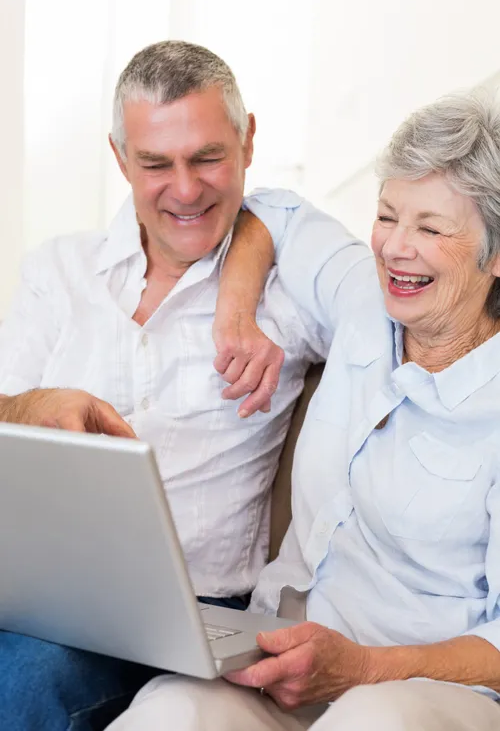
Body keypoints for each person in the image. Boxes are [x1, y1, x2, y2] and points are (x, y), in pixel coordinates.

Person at [0, 41, 366, 731]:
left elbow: (386, 298)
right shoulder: (59, 269)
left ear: (249, 140)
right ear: (119, 160)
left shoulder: (291, 291)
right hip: (44, 598)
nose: (187, 188)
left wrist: (238, 291)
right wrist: (29, 406)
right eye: (155, 163)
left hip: (199, 616)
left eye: (207, 157)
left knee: (23, 684)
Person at [106, 90, 500, 729]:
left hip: (423, 691)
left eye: (430, 229)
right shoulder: (362, 301)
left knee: (370, 720)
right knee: (171, 712)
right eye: (387, 215)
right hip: (282, 660)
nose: (395, 248)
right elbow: (273, 213)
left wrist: (365, 669)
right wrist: (236, 319)